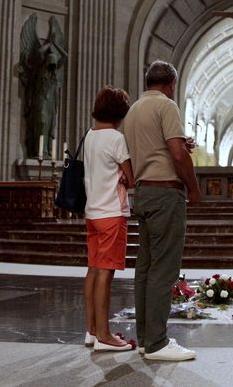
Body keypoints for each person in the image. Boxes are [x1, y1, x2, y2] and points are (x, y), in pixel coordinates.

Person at [123, 60, 201, 362]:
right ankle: (157, 343)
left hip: (143, 192)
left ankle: (144, 339)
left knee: (144, 269)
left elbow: (152, 148)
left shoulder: (132, 112)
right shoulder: (167, 106)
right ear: (170, 84)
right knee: (164, 269)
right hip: (166, 193)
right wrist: (193, 188)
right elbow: (177, 154)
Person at [82, 86, 134, 352]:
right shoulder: (116, 138)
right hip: (111, 213)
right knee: (106, 272)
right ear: (120, 111)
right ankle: (104, 335)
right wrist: (127, 176)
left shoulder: (89, 135)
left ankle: (91, 330)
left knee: (93, 269)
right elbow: (132, 176)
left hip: (92, 213)